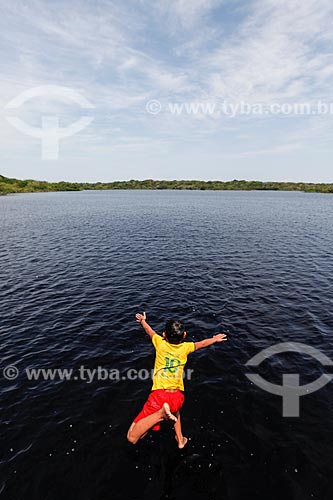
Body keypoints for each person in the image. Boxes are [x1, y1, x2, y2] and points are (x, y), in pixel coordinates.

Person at [127, 312, 227, 448]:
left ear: (164, 335)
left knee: (132, 436)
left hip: (159, 396)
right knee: (175, 411)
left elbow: (149, 331)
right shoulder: (186, 347)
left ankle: (161, 414)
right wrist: (214, 339)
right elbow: (202, 343)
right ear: (184, 336)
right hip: (177, 397)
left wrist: (143, 321)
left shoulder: (159, 343)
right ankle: (180, 440)